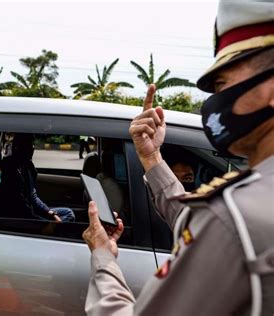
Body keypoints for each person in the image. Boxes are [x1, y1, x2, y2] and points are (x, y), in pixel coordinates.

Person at [82, 1, 274, 315]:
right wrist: (151, 157)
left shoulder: (233, 217)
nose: (216, 101)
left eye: (223, 84)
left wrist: (103, 258)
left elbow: (220, 224)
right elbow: (199, 220)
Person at [0, 133, 75, 222]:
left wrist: (49, 213)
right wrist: (44, 224)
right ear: (16, 147)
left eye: (32, 144)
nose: (32, 147)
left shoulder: (28, 167)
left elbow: (33, 197)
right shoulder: (8, 169)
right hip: (21, 217)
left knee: (68, 213)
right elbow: (19, 208)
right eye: (27, 144)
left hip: (32, 210)